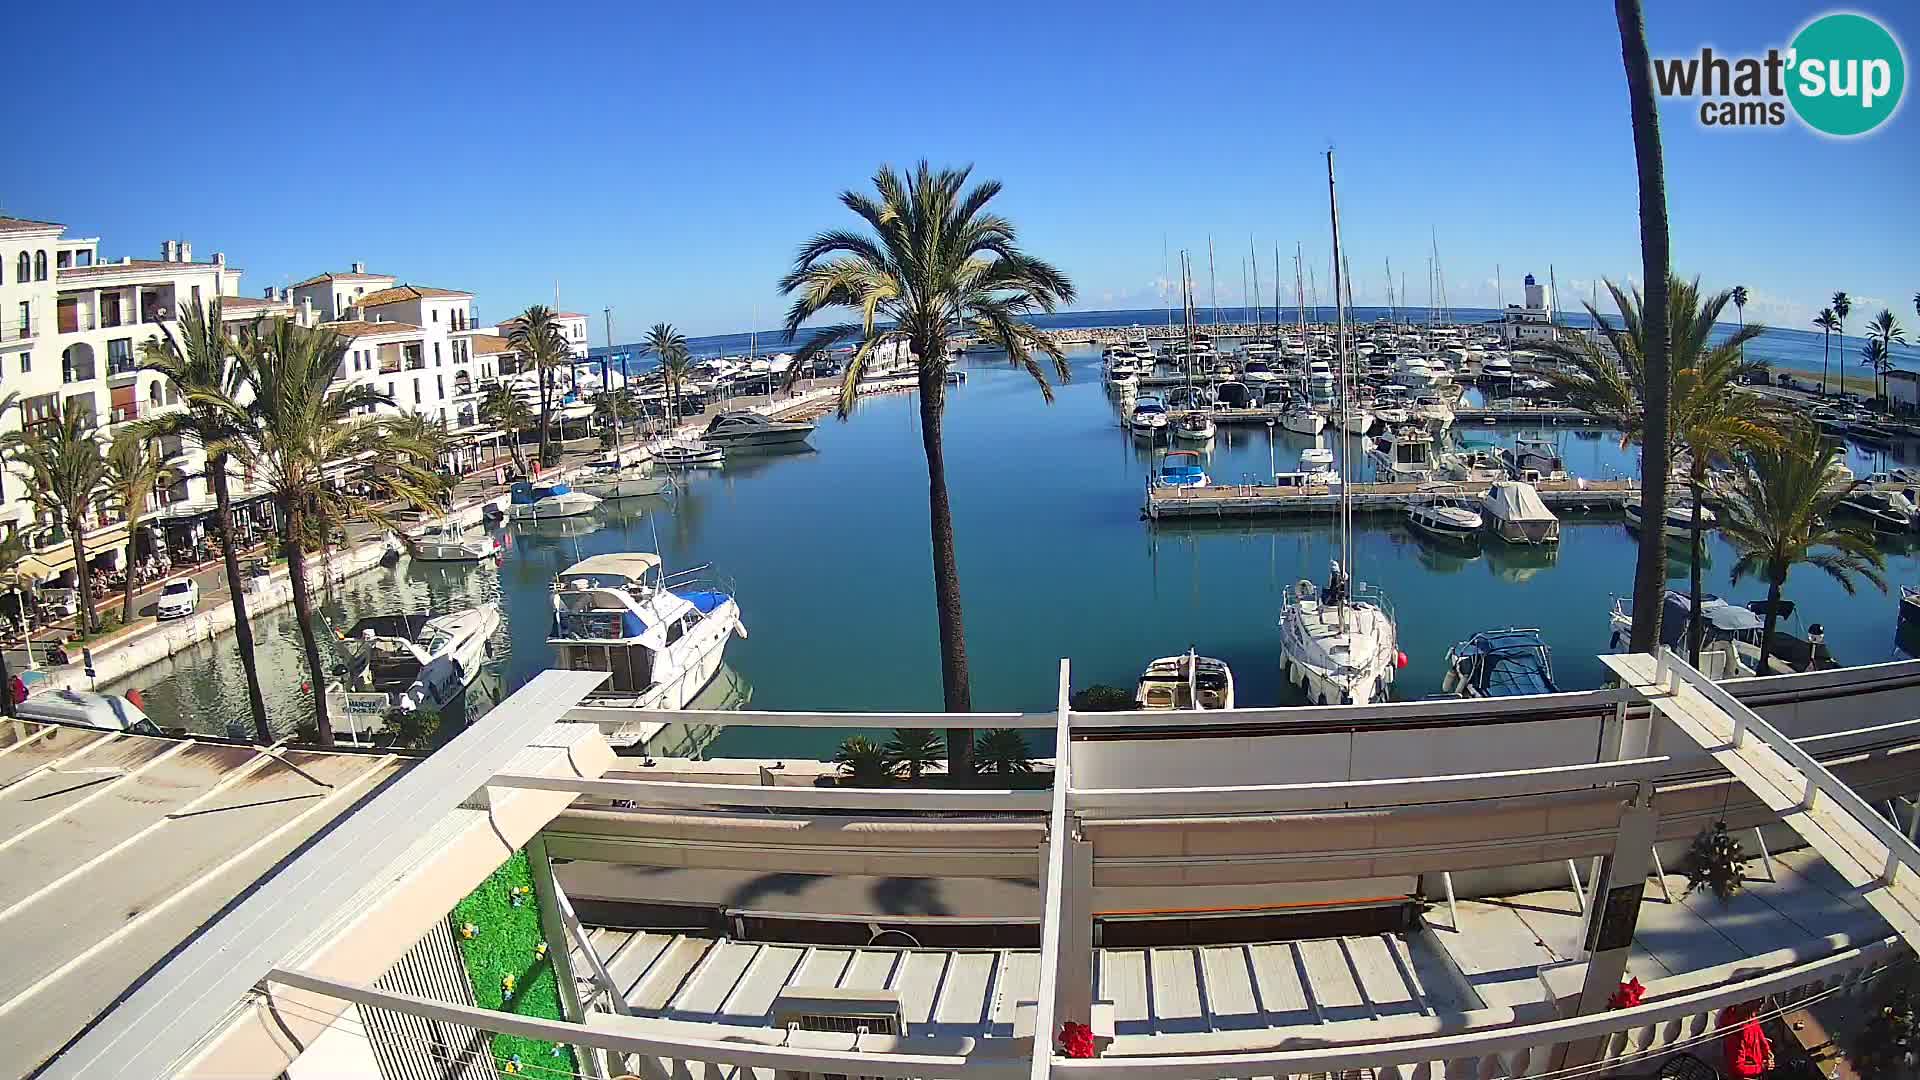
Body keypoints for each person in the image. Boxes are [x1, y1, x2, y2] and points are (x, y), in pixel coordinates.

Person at [1721, 1001, 1774, 1080]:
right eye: (1759, 999)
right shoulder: (1735, 1033)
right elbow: (1738, 1068)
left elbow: (1759, 1033)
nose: (1764, 1002)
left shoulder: (1750, 1016)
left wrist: (1767, 1050)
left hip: (1758, 1067)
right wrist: (1761, 1067)